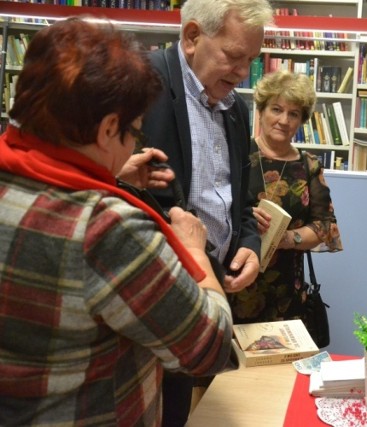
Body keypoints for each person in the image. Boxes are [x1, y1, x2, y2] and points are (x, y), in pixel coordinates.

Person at [0, 18, 234, 426]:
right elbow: (209, 348)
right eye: (133, 133)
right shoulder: (108, 229)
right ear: (109, 128)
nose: (133, 143)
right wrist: (195, 251)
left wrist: (111, 172)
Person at [139, 0, 273, 423]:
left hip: (205, 288)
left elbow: (243, 197)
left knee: (177, 411)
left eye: (251, 61)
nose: (242, 73)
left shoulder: (237, 109)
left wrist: (248, 243)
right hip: (145, 293)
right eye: (234, 57)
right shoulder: (141, 83)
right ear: (193, 36)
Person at [229, 70, 342, 333]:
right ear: (261, 111)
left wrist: (286, 238)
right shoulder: (237, 153)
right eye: (276, 109)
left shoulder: (309, 165)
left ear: (301, 120)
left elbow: (326, 227)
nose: (283, 120)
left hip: (287, 291)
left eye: (293, 114)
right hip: (235, 280)